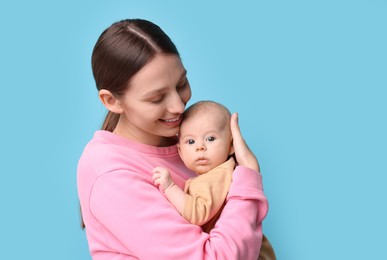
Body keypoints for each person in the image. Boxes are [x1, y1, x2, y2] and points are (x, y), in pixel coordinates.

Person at [77, 18, 269, 259]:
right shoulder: (110, 175)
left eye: (182, 84)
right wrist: (248, 179)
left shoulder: (190, 142)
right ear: (111, 101)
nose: (179, 106)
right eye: (157, 98)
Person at [152, 101, 276, 260]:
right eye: (191, 141)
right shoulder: (217, 174)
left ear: (231, 145)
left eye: (210, 138)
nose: (200, 147)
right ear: (180, 152)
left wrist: (169, 187)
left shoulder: (218, 175)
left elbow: (197, 213)